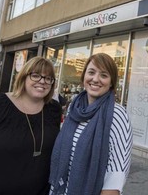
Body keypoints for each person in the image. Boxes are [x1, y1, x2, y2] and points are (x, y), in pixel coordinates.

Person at [49, 53, 133, 195]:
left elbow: (116, 173)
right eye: (91, 72)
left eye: (104, 75)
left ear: (111, 82)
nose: (95, 79)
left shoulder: (117, 114)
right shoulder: (74, 108)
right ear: (83, 77)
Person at [0, 56, 62, 195]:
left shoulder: (54, 109)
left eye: (48, 78)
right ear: (23, 77)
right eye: (35, 76)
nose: (42, 81)